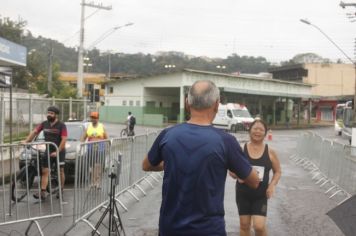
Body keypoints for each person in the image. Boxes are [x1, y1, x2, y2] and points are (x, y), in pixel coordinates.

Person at [142, 80, 259, 236]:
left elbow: (146, 165)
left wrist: (170, 163)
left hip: (170, 228)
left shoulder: (168, 135)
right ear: (217, 105)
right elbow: (254, 181)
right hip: (209, 230)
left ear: (187, 103)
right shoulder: (225, 141)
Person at [230, 119, 281, 236]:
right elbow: (231, 171)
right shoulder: (241, 150)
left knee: (259, 226)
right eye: (255, 128)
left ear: (265, 133)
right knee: (244, 226)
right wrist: (237, 174)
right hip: (243, 193)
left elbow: (277, 171)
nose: (257, 131)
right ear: (250, 131)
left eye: (261, 129)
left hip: (261, 195)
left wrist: (272, 186)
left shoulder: (270, 152)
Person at [23, 106, 67, 200]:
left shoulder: (61, 125)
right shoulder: (44, 124)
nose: (49, 115)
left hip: (59, 150)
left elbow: (64, 139)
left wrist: (57, 151)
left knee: (60, 171)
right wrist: (26, 141)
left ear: (56, 115)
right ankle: (42, 192)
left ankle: (61, 189)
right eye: (48, 113)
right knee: (45, 171)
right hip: (49, 150)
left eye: (51, 113)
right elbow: (34, 132)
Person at [81, 111, 108, 188]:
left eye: (95, 118)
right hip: (90, 149)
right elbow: (84, 137)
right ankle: (93, 182)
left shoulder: (101, 126)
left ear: (98, 118)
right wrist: (80, 145)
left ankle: (98, 182)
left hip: (100, 149)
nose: (93, 119)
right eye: (92, 117)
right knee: (92, 167)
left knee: (98, 166)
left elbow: (106, 138)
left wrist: (108, 147)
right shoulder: (88, 127)